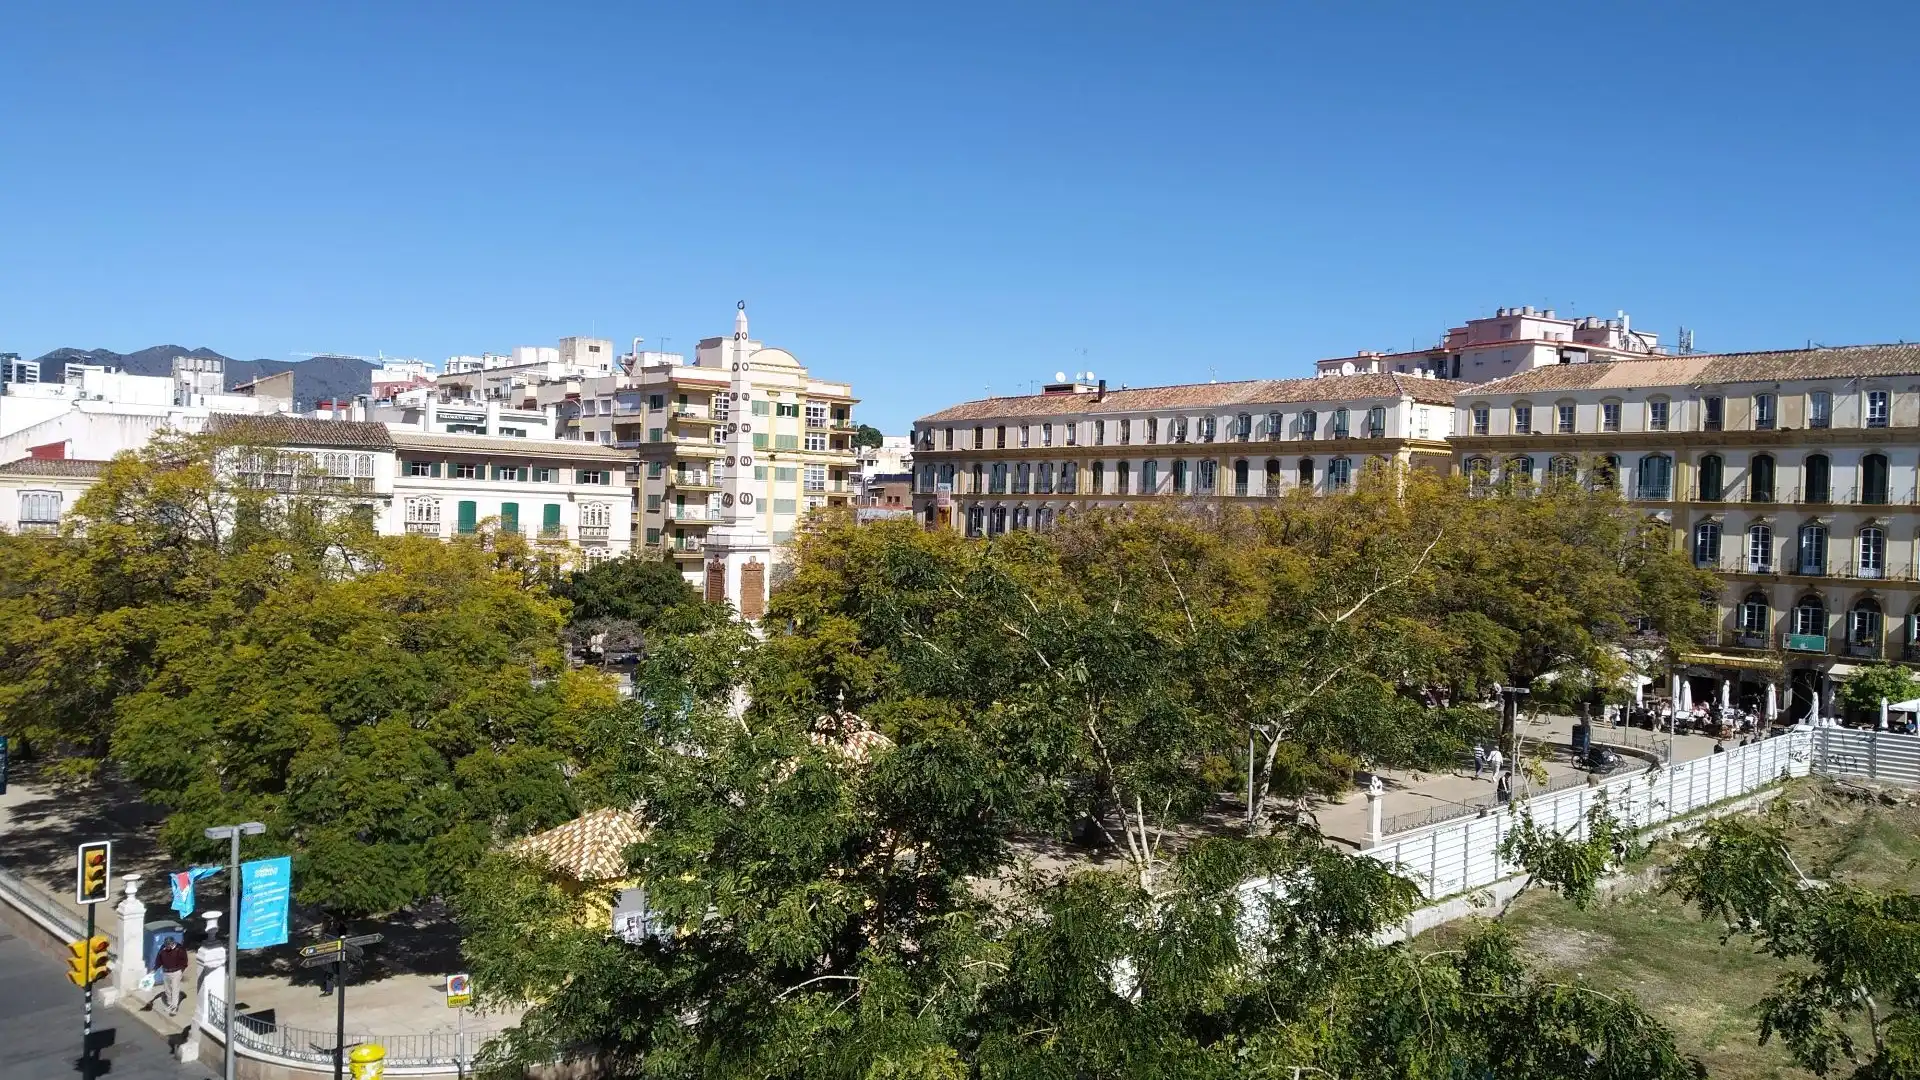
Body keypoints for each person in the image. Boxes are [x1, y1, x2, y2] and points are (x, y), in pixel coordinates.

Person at [155, 938, 189, 1017]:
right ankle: (170, 1004)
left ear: (172, 944)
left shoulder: (179, 949)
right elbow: (158, 958)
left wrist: (181, 970)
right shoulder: (163, 948)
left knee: (175, 989)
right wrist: (155, 968)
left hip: (176, 972)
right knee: (167, 990)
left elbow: (184, 960)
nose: (166, 947)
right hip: (166, 972)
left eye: (168, 945)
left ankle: (174, 1007)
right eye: (166, 945)